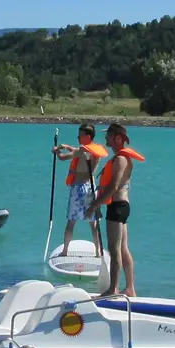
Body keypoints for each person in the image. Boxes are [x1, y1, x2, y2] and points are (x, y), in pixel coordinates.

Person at [96, 122, 144, 296]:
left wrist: (95, 204)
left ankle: (113, 289)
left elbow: (114, 186)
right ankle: (129, 288)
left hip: (117, 207)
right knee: (122, 248)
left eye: (108, 135)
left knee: (114, 249)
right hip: (121, 206)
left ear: (117, 138)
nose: (105, 138)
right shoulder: (120, 157)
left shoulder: (121, 159)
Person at [52, 124, 108, 255]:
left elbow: (62, 158)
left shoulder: (82, 151)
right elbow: (78, 152)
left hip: (78, 189)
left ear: (88, 136)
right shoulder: (94, 150)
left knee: (71, 222)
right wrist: (67, 147)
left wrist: (57, 151)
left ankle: (65, 251)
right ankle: (98, 251)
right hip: (90, 187)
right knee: (93, 223)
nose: (77, 138)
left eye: (80, 135)